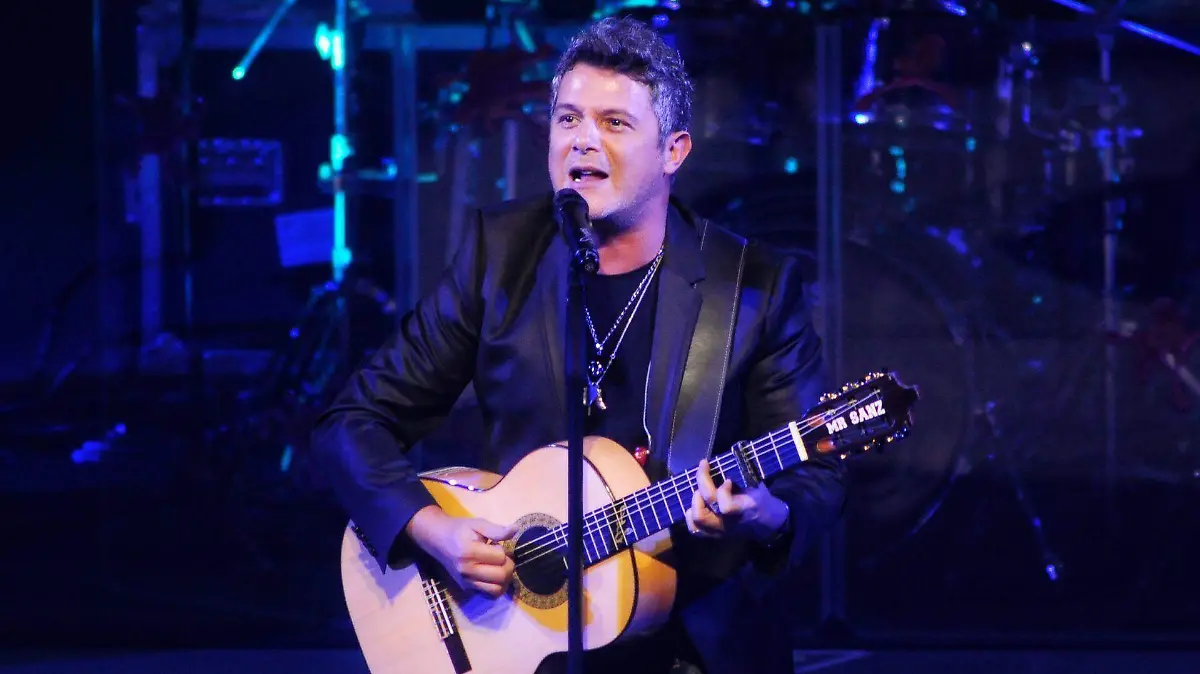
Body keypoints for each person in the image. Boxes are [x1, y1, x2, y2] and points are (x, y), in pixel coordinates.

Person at [311, 16, 847, 674]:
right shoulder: (500, 257)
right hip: (517, 635)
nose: (583, 140)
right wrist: (435, 529)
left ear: (674, 150)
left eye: (614, 123)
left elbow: (818, 475)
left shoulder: (754, 286)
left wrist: (765, 515)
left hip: (692, 650)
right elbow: (352, 422)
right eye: (568, 119)